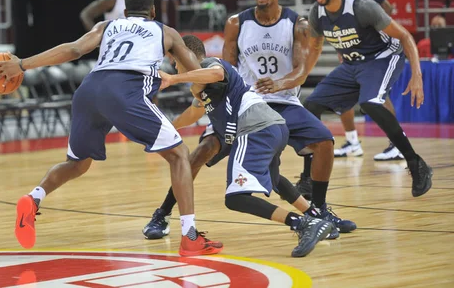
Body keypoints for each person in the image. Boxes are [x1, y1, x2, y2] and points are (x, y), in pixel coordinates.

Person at [0, 0, 223, 256]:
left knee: (76, 164)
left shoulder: (107, 25)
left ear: (124, 13)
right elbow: (195, 70)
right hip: (125, 90)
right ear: (153, 12)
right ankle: (190, 236)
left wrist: (22, 65)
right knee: (180, 154)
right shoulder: (165, 31)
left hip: (88, 91)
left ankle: (33, 199)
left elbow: (74, 49)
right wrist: (217, 76)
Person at [144, 35, 338, 258]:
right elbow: (193, 113)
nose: (174, 66)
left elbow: (216, 73)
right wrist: (166, 128)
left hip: (255, 128)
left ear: (183, 55)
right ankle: (315, 217)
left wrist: (174, 78)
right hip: (272, 127)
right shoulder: (201, 85)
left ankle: (302, 224)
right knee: (275, 180)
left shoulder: (209, 65)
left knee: (235, 198)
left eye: (175, 61)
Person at [222, 0, 356, 232]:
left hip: (284, 102)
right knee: (200, 153)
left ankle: (319, 210)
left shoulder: (297, 24)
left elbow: (301, 71)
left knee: (324, 141)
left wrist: (279, 84)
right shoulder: (236, 23)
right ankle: (166, 213)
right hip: (252, 105)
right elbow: (227, 70)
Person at [304, 0, 433, 197]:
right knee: (311, 105)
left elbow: (404, 35)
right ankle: (307, 178)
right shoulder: (316, 12)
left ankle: (416, 163)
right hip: (353, 64)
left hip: (383, 57)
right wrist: (297, 78)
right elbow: (314, 49)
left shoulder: (361, 6)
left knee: (371, 102)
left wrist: (417, 75)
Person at [322, 0, 402, 162]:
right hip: (350, 51)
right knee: (344, 95)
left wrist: (377, 35)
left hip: (372, 51)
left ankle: (398, 144)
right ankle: (352, 142)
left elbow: (387, 6)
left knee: (379, 96)